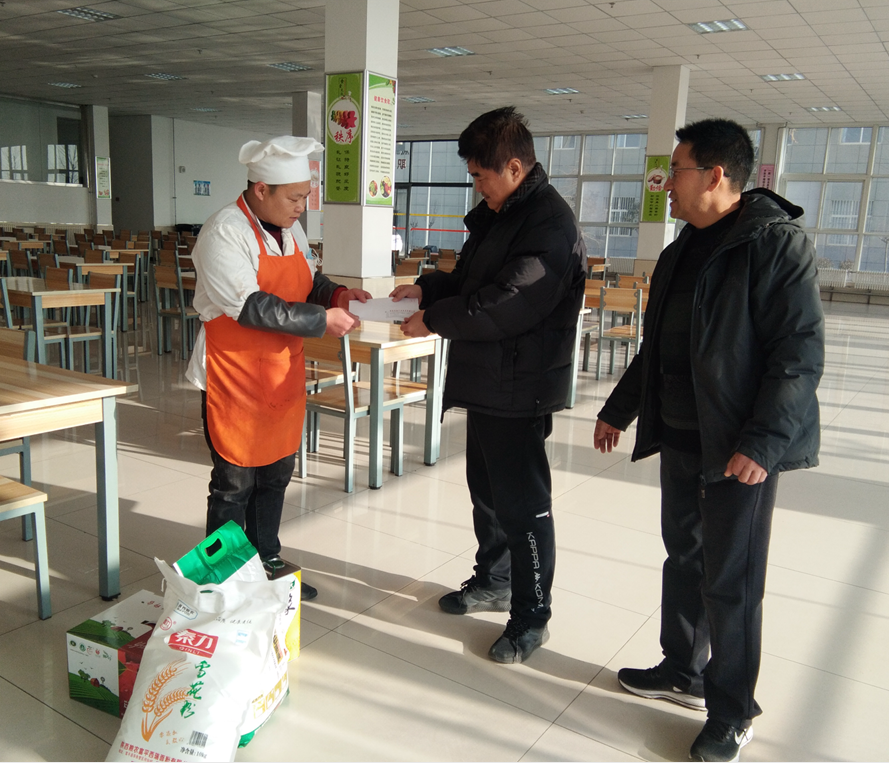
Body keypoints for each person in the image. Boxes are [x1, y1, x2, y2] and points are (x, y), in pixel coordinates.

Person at [593, 119, 824, 762]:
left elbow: (798, 356)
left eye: (677, 170)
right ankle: (682, 669)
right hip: (682, 434)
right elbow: (658, 349)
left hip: (739, 446)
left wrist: (763, 443)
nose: (666, 184)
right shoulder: (682, 250)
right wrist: (619, 409)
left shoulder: (774, 244)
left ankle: (732, 711)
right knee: (685, 559)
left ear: (715, 175)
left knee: (732, 581)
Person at [391, 106, 586, 664]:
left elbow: (508, 303)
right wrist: (428, 290)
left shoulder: (549, 224)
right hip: (489, 379)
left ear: (515, 168)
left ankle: (531, 616)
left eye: (481, 174)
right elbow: (474, 282)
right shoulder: (502, 215)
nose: (476, 185)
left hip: (520, 385)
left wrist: (435, 319)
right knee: (488, 493)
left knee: (524, 507)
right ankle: (495, 580)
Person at [185, 135, 371, 600]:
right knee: (234, 483)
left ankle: (266, 556)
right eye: (294, 198)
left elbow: (308, 278)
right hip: (232, 374)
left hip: (280, 371)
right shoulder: (224, 231)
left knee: (275, 473)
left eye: (305, 196)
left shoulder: (289, 230)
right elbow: (250, 306)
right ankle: (222, 579)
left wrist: (337, 294)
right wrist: (321, 321)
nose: (301, 208)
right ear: (261, 189)